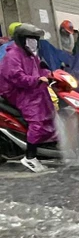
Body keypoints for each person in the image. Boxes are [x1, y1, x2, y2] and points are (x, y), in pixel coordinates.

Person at [0, 24, 57, 172]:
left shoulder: (30, 54)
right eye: (31, 39)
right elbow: (17, 77)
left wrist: (49, 74)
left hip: (31, 89)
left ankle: (44, 147)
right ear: (21, 39)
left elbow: (40, 68)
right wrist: (37, 80)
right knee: (37, 119)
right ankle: (30, 156)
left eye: (35, 39)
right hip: (16, 92)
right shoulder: (12, 55)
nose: (34, 42)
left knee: (50, 110)